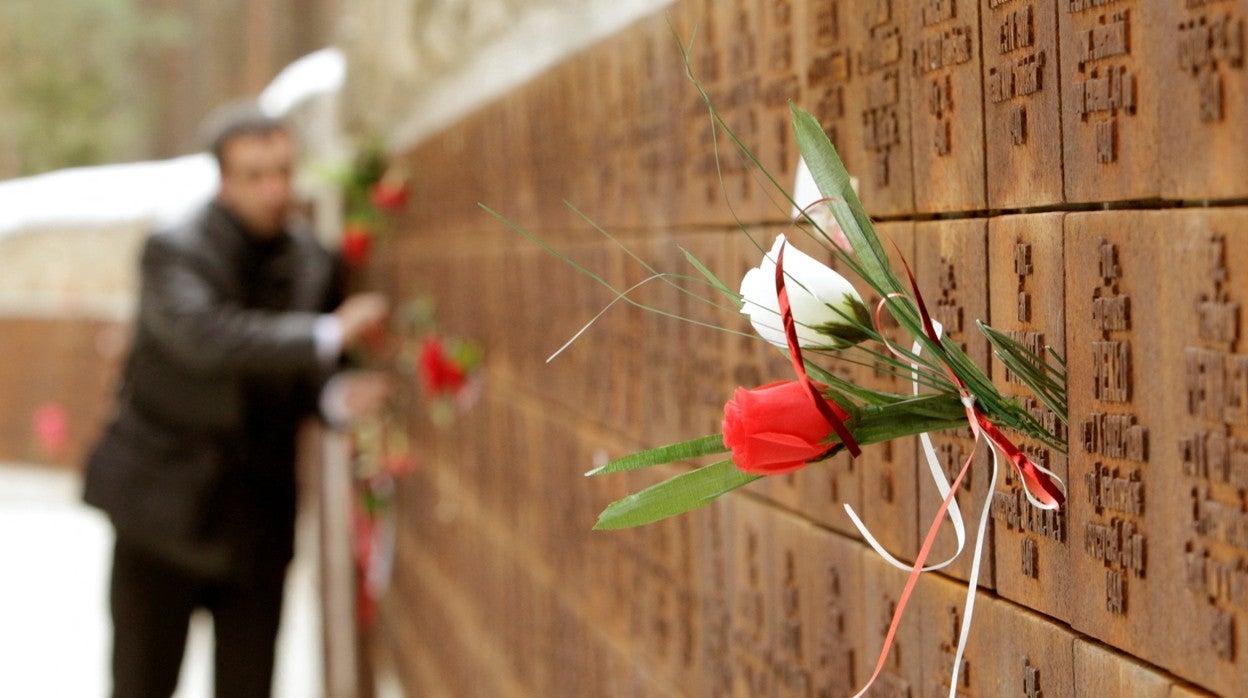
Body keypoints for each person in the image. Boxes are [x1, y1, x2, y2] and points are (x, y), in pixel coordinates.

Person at [83, 105, 391, 697]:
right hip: (161, 515)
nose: (275, 189)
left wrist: (339, 396)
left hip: (257, 524)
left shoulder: (314, 262)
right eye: (255, 174)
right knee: (140, 684)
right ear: (224, 180)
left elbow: (312, 381)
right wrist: (325, 332)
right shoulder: (174, 251)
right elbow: (206, 337)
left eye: (283, 170)